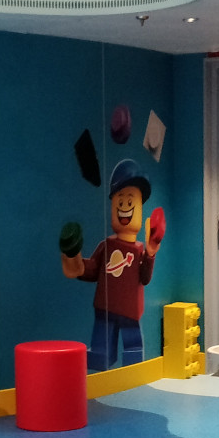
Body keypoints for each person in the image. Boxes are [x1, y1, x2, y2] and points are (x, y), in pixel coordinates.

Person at [60, 158, 164, 371]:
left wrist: (151, 253)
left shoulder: (139, 250)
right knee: (101, 353)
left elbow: (145, 277)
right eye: (120, 199)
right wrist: (74, 259)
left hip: (130, 313)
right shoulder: (106, 246)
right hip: (104, 311)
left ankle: (133, 378)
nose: (125, 205)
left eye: (131, 200)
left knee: (133, 351)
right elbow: (91, 270)